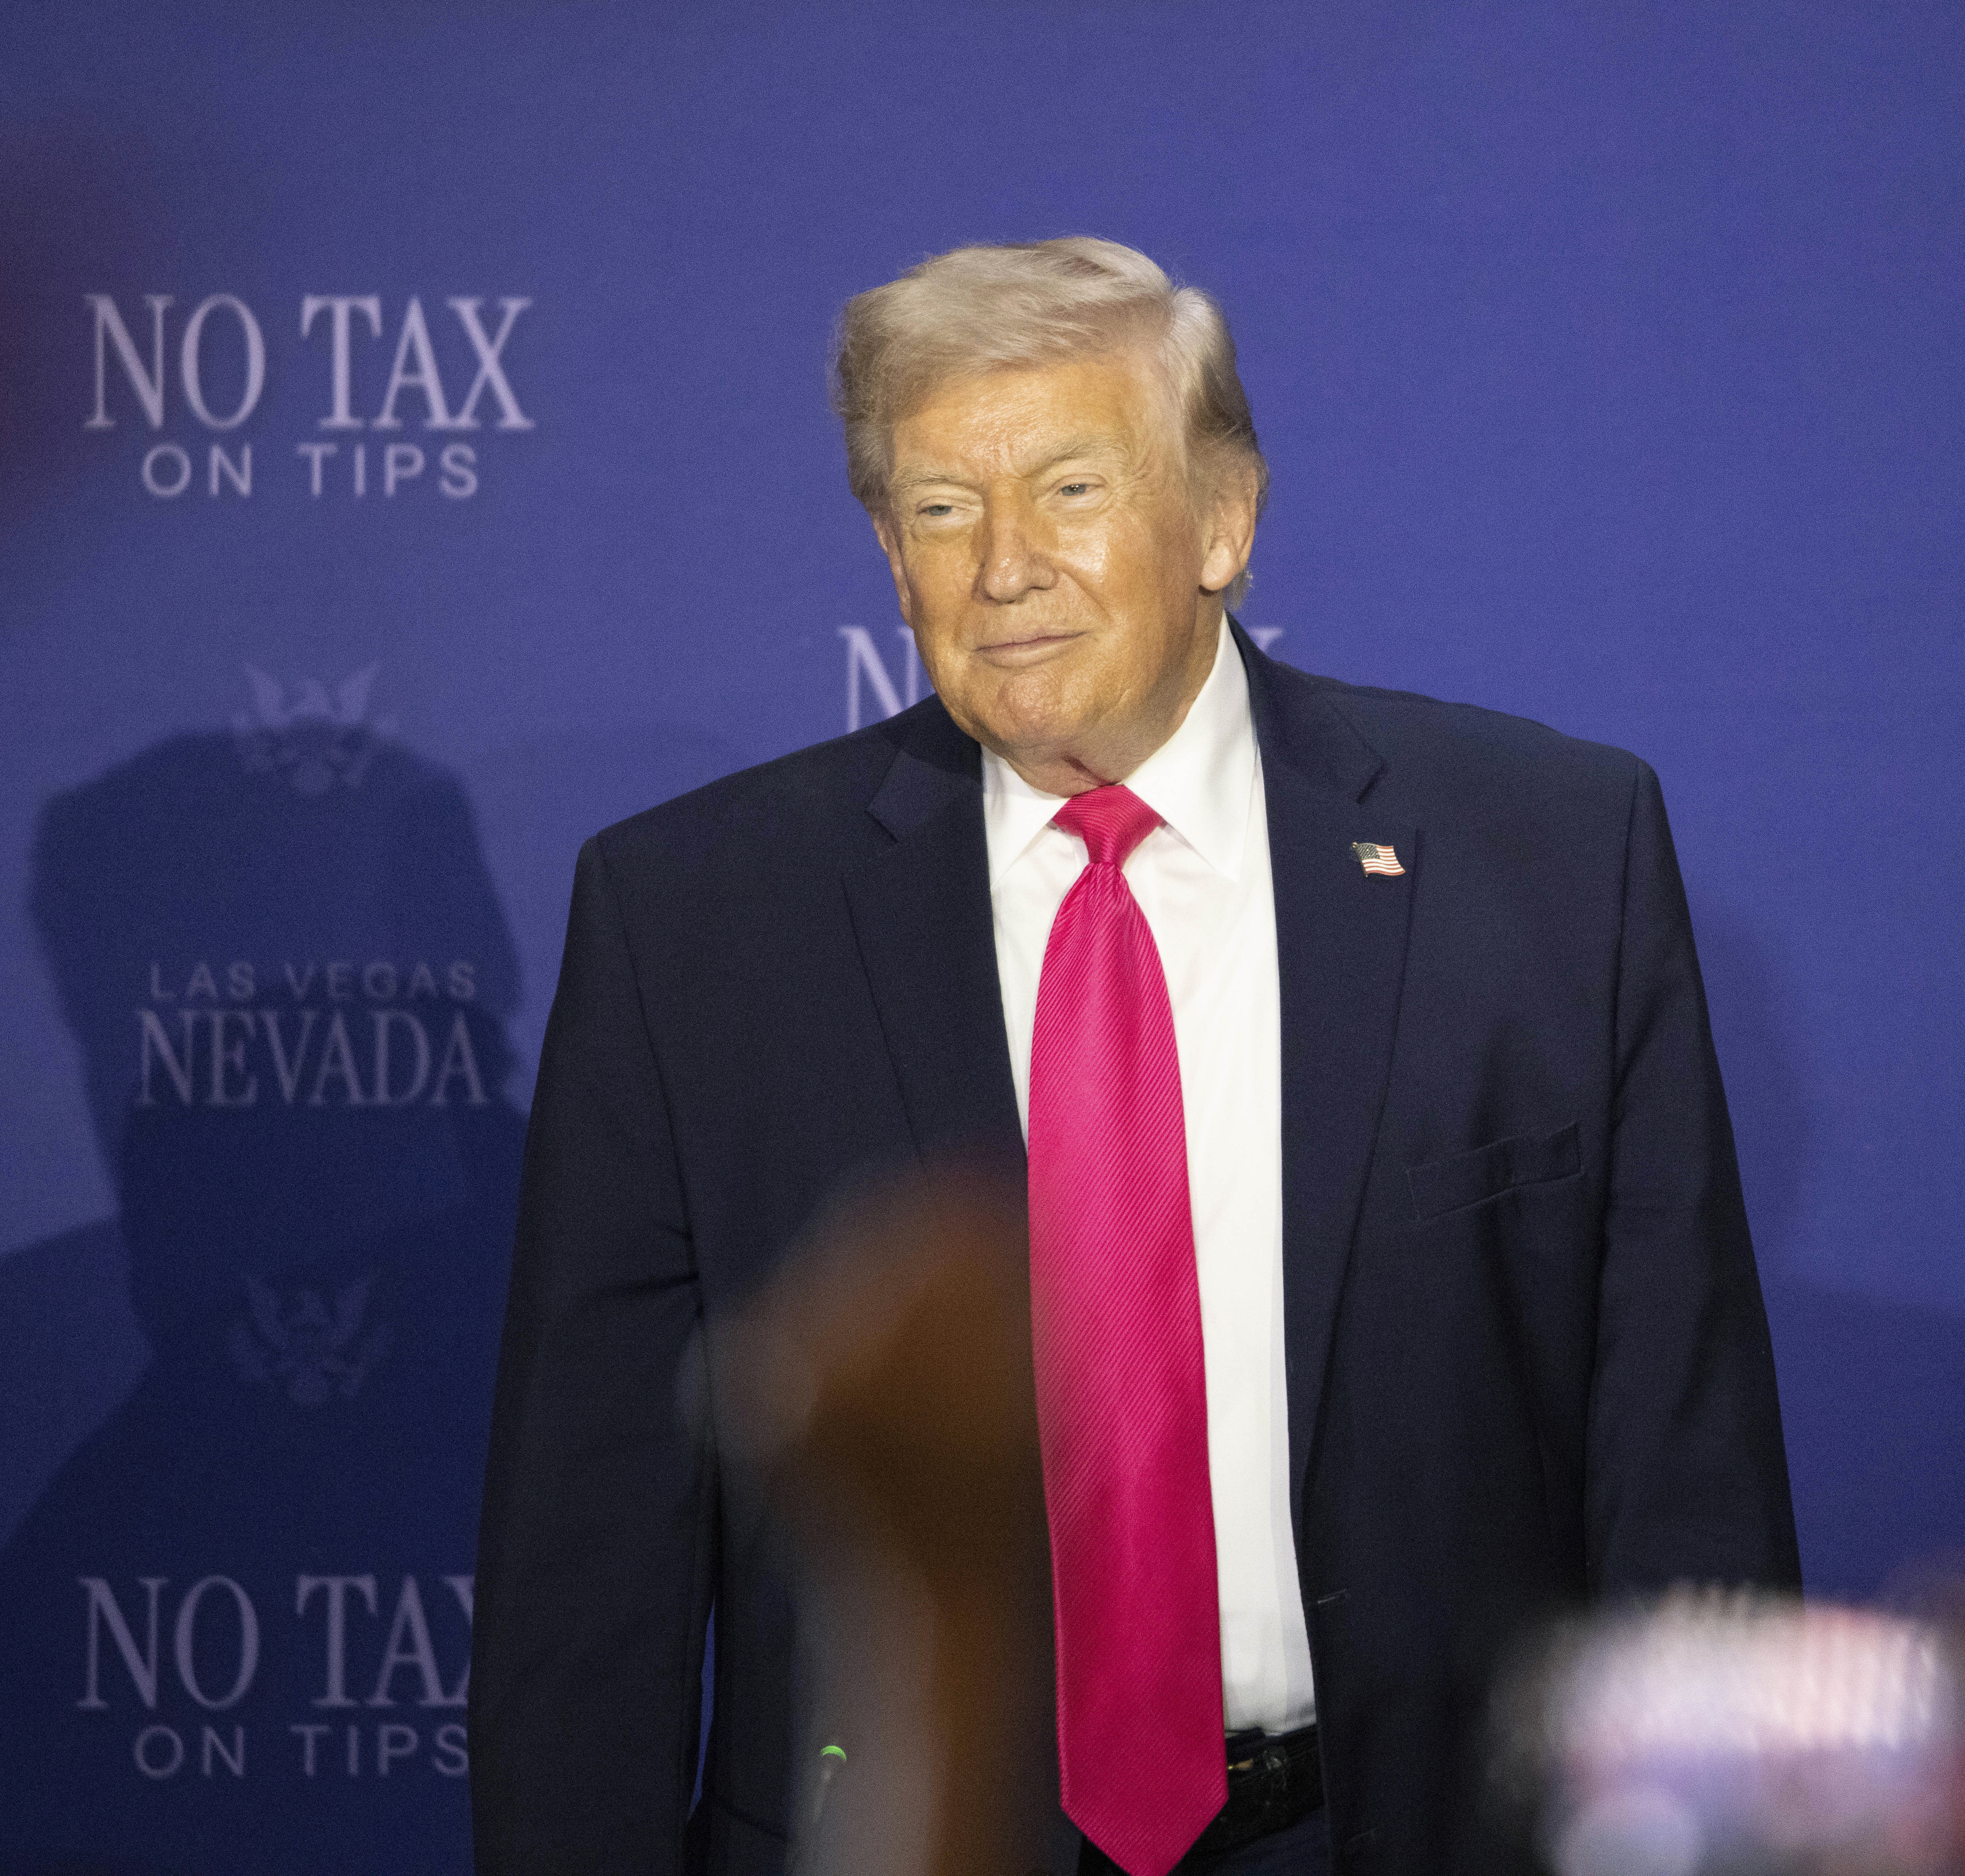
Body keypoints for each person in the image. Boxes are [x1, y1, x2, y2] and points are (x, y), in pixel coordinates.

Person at [470, 236, 1798, 1876]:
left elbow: (1684, 1478)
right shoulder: (693, 924)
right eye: (940, 509)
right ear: (889, 561)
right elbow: (586, 1565)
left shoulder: (1547, 856)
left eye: (1071, 487)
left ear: (1223, 520)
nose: (1003, 565)